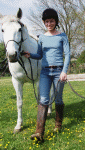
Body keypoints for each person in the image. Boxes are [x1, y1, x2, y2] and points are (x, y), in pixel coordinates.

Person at [24, 8, 70, 142]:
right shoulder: (42, 37)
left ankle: (58, 124)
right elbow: (39, 55)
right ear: (44, 22)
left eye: (51, 21)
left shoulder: (62, 36)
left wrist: (64, 71)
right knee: (43, 100)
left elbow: (67, 55)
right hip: (45, 72)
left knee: (58, 100)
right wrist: (30, 55)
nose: (49, 23)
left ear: (56, 22)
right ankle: (39, 132)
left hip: (58, 72)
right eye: (46, 21)